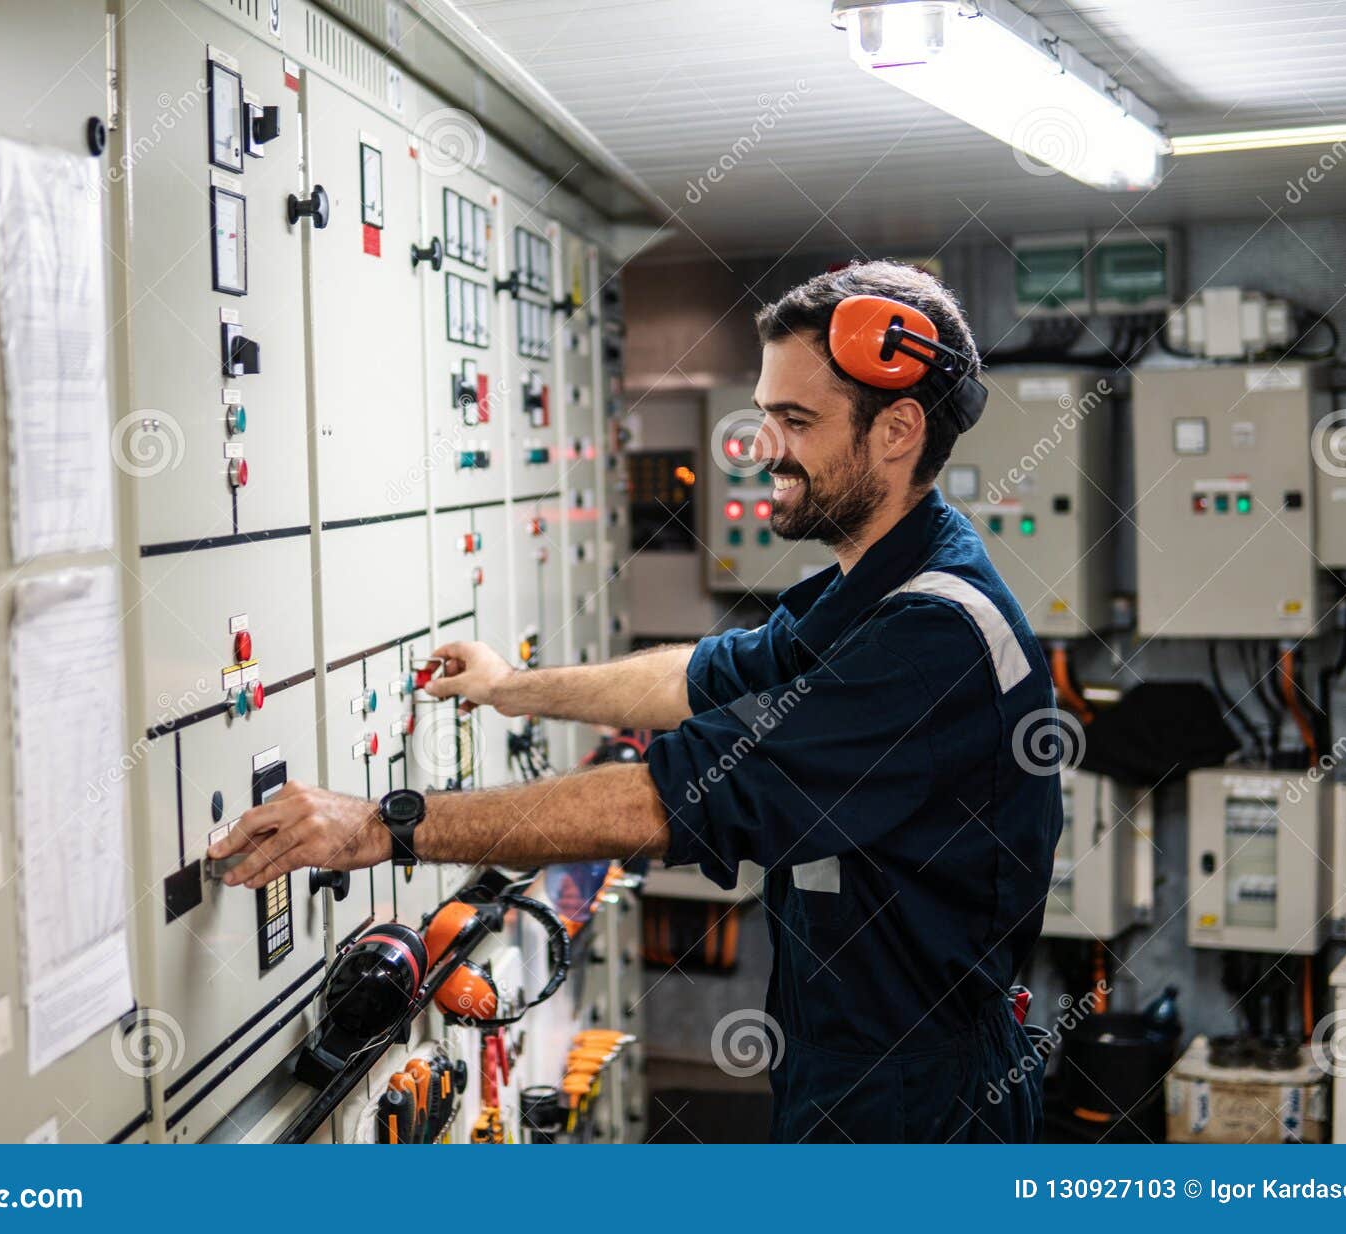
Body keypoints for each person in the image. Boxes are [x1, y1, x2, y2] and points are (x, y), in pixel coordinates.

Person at [207, 260, 1063, 1143]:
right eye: (764, 414)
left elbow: (664, 798)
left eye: (795, 421)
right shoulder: (876, 587)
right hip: (848, 1064)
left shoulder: (933, 638)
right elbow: (697, 676)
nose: (761, 447)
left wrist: (383, 827)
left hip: (922, 1102)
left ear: (898, 429)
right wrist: (511, 689)